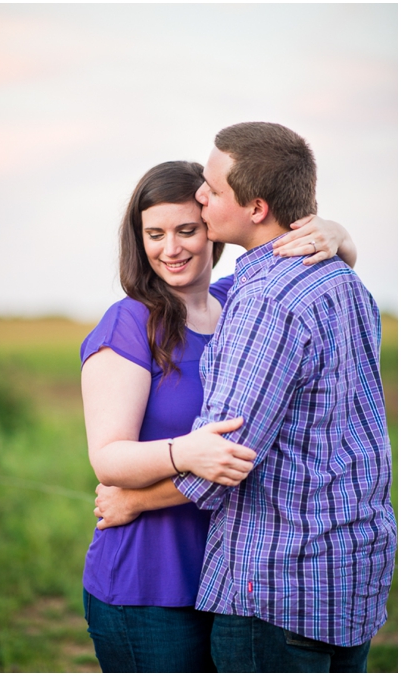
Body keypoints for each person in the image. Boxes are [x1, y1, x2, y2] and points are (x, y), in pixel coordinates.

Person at [80, 159, 358, 672]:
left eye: (187, 230)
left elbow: (316, 263)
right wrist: (186, 452)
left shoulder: (243, 302)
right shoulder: (129, 323)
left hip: (238, 582)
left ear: (213, 227)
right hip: (150, 582)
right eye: (155, 234)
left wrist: (337, 233)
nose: (172, 248)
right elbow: (108, 459)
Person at [173, 122, 395, 672]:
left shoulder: (267, 302)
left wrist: (129, 498)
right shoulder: (343, 281)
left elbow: (221, 457)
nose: (201, 194)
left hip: (276, 587)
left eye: (213, 187)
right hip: (347, 576)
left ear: (256, 207)